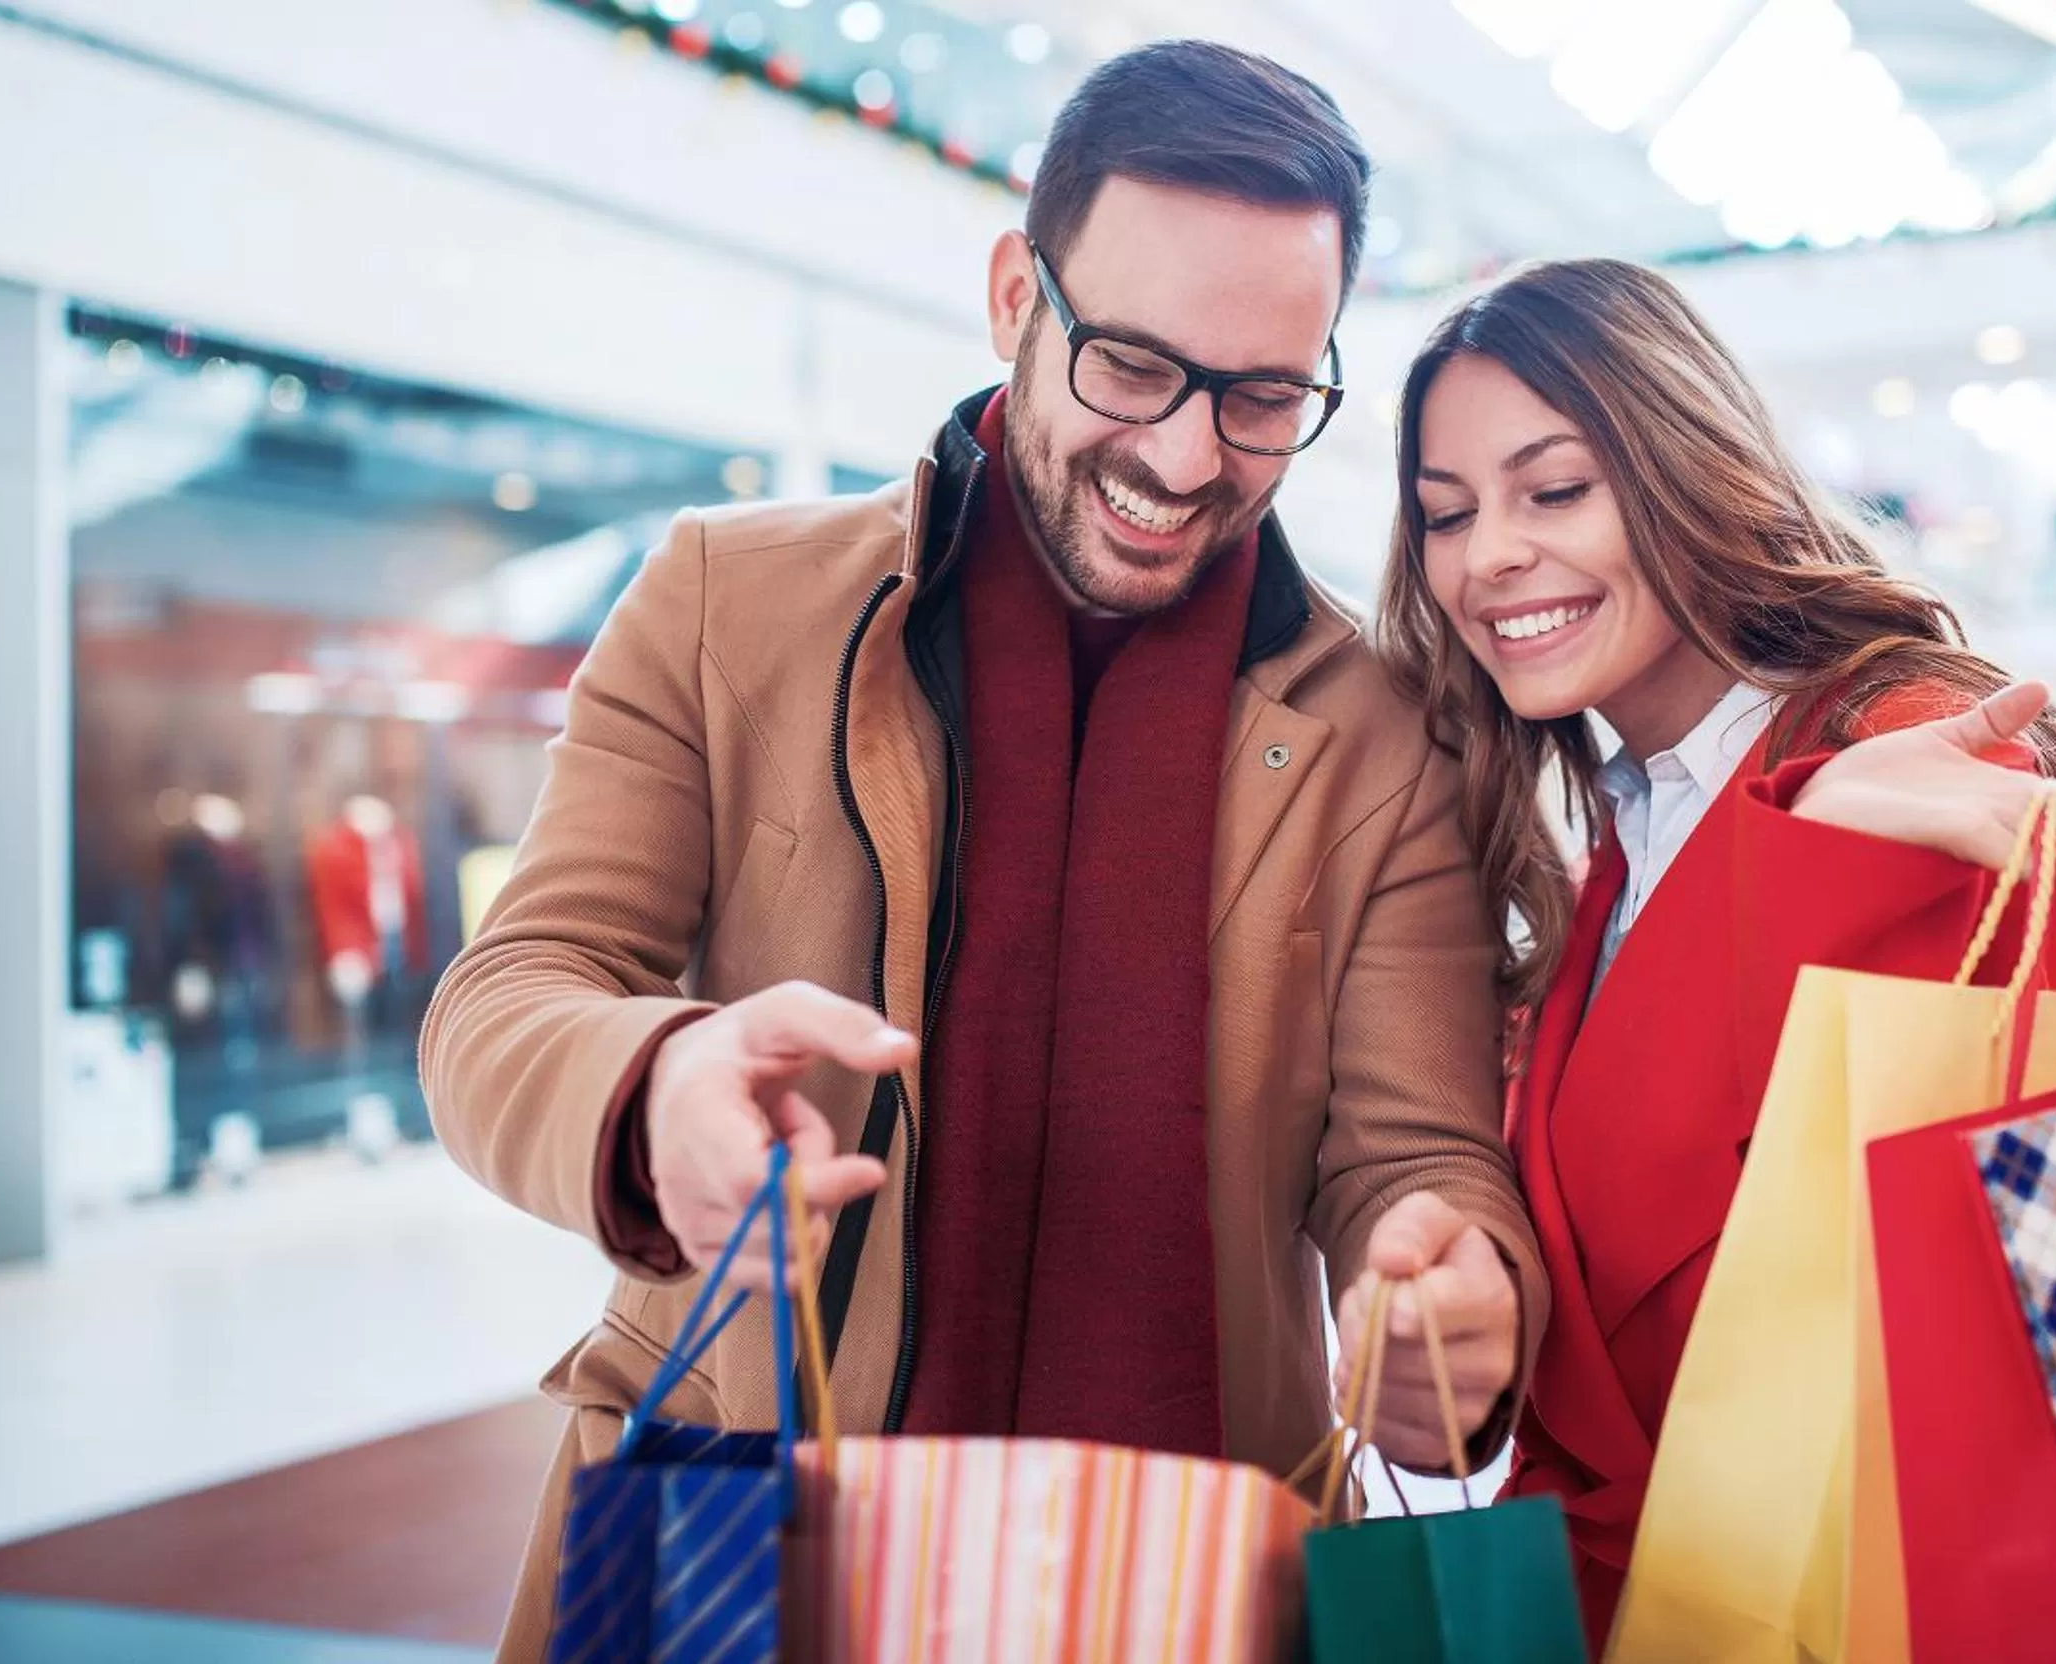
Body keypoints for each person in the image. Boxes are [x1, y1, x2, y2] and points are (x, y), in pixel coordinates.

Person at [421, 44, 1548, 1660]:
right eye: (1132, 366)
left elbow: (1410, 1155)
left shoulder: (1382, 727)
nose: (1180, 458)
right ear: (1017, 293)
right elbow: (503, 998)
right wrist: (656, 1084)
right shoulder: (724, 604)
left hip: (1196, 1579)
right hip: (742, 1541)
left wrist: (1446, 1288)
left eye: (1259, 398)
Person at [1372, 258, 2056, 1647]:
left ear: (1685, 470)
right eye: (1446, 515)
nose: (1485, 553)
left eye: (1551, 490)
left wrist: (1803, 842)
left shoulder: (1909, 751)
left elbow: (2010, 1296)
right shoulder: (1619, 835)